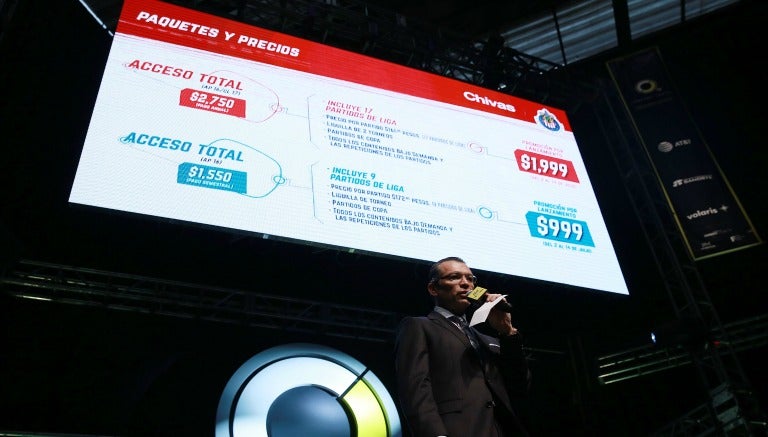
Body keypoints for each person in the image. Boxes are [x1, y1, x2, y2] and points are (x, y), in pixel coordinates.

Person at [395, 256, 531, 437]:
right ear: (433, 288)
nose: (465, 283)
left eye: (470, 279)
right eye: (454, 277)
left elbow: (519, 385)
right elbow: (415, 390)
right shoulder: (419, 326)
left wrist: (507, 332)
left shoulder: (486, 340)